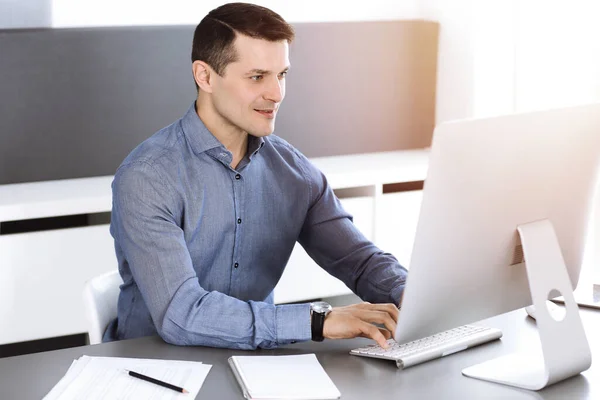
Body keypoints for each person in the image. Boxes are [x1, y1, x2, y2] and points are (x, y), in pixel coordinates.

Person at [104, 2, 407, 350]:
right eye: (257, 77)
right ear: (205, 76)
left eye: (282, 75)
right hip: (155, 368)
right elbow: (181, 313)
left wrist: (413, 294)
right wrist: (317, 321)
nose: (276, 94)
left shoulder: (294, 173)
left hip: (255, 363)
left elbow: (361, 262)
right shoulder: (148, 177)